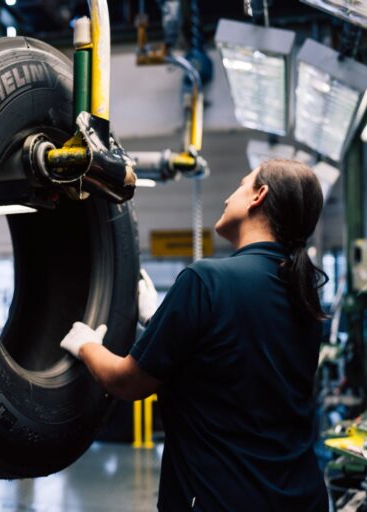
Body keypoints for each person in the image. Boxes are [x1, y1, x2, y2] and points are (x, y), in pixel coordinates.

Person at [60, 159, 329, 511]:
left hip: (220, 500)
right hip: (301, 498)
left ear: (258, 196)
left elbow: (128, 382)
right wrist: (160, 317)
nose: (226, 198)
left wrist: (87, 345)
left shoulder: (206, 280)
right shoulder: (304, 294)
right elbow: (234, 361)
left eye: (241, 185)